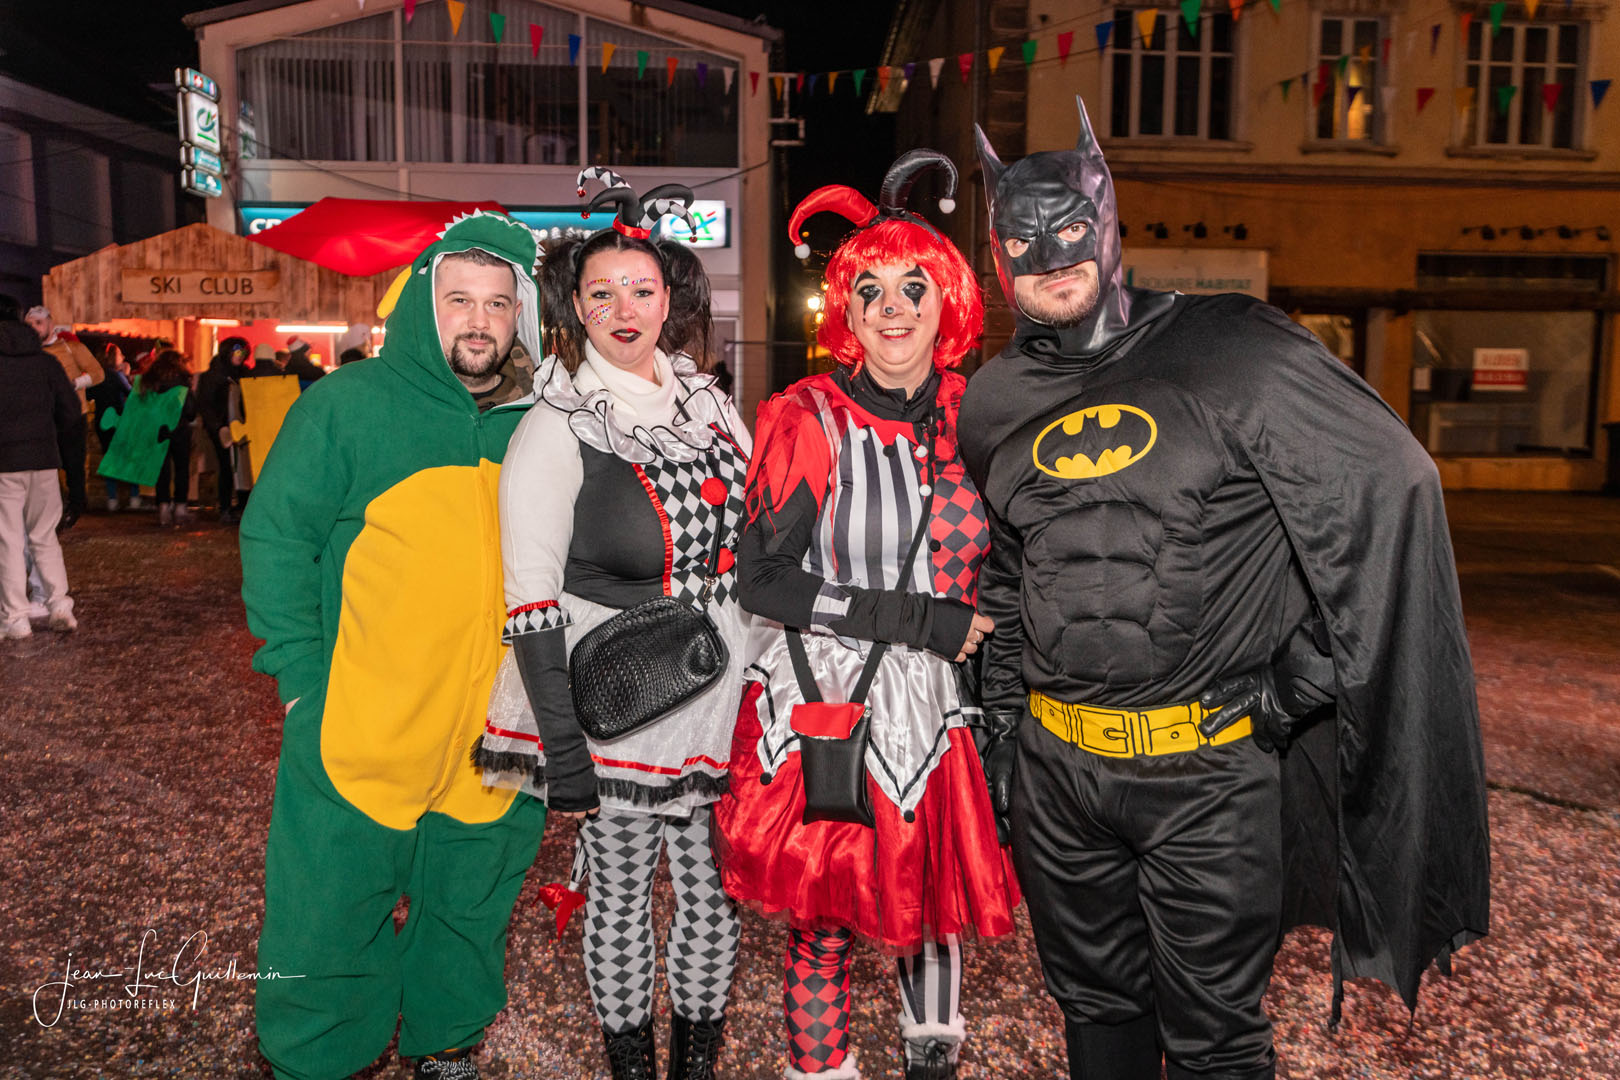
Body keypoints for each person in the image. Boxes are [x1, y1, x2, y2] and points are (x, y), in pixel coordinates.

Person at [957, 99, 1490, 1080]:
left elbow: (1392, 493)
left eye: (1068, 227)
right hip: (1058, 774)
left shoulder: (1237, 348)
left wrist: (1297, 686)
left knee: (1215, 1040)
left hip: (1204, 773)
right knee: (1095, 1010)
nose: (1049, 256)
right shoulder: (993, 399)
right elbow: (1009, 568)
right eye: (1021, 241)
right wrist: (998, 729)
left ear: (1109, 220)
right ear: (996, 258)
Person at [711, 152, 1020, 1080]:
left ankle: (933, 1063)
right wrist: (916, 620)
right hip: (830, 694)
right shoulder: (806, 415)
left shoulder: (983, 414)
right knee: (825, 916)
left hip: (948, 702)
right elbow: (762, 581)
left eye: (913, 287)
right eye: (870, 290)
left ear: (947, 301)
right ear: (844, 310)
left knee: (933, 907)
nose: (893, 308)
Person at [239, 210, 550, 1080]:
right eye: (460, 300)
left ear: (521, 316)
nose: (479, 321)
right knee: (329, 912)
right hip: (363, 727)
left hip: (499, 735)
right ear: (422, 303)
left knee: (472, 906)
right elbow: (276, 539)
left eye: (498, 303)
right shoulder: (347, 406)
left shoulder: (543, 425)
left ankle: (447, 1042)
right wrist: (303, 683)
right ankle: (317, 1062)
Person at [477, 180, 750, 1080]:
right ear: (575, 307)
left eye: (641, 289)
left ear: (668, 299)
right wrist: (564, 751)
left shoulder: (712, 407)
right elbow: (529, 597)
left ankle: (697, 1066)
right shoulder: (556, 426)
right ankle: (631, 1067)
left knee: (715, 896)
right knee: (622, 898)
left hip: (720, 691)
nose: (624, 310)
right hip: (621, 704)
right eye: (602, 293)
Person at [1, 294, 80, 638]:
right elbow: (71, 411)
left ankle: (15, 618)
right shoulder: (46, 363)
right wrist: (47, 436)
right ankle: (59, 604)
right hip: (45, 460)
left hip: (5, 463)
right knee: (45, 536)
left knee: (8, 539)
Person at [24, 305, 102, 529]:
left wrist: (75, 384)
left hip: (72, 416)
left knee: (72, 463)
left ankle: (76, 505)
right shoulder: (29, 352)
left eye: (38, 323)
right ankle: (53, 508)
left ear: (50, 324)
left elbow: (98, 373)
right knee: (46, 465)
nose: (34, 328)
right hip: (42, 418)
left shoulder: (71, 347)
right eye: (30, 324)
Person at [139, 349, 199, 527]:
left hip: (157, 429)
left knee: (161, 469)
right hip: (179, 428)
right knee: (181, 468)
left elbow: (143, 406)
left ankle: (163, 508)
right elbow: (190, 410)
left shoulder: (149, 380)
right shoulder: (183, 380)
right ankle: (180, 508)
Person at [197, 336, 248, 521]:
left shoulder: (243, 373)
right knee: (227, 466)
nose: (240, 356)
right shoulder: (213, 376)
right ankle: (225, 507)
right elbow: (205, 404)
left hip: (241, 427)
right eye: (237, 352)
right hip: (221, 429)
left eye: (243, 352)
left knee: (243, 467)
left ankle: (242, 506)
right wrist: (218, 428)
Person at [88, 343, 136, 511]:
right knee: (130, 459)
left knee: (109, 459)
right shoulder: (117, 376)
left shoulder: (97, 376)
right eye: (120, 354)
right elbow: (131, 393)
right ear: (114, 358)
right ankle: (134, 497)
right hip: (119, 421)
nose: (123, 357)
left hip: (102, 421)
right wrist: (127, 375)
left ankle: (112, 498)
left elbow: (88, 394)